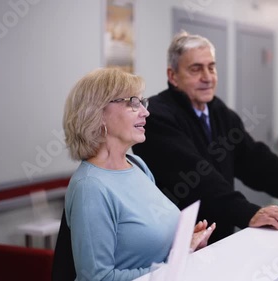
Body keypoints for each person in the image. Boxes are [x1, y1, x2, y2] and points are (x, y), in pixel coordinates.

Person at [132, 31, 278, 243]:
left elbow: (258, 164)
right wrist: (248, 212)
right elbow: (197, 178)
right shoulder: (156, 117)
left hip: (222, 241)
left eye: (211, 67)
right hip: (179, 247)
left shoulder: (219, 112)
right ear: (173, 76)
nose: (207, 77)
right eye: (196, 69)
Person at [62, 68, 215, 281]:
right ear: (97, 112)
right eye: (133, 103)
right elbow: (97, 278)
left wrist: (184, 247)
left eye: (143, 103)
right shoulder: (90, 188)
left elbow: (147, 245)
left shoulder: (137, 165)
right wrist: (171, 267)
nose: (145, 112)